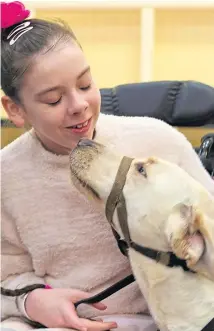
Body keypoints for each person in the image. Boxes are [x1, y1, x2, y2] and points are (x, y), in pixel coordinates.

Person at [1, 2, 214, 331]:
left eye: (85, 84)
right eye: (54, 100)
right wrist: (32, 300)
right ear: (15, 110)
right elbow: (7, 275)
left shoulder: (158, 142)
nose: (79, 106)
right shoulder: (7, 176)